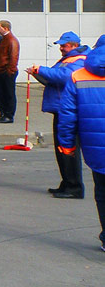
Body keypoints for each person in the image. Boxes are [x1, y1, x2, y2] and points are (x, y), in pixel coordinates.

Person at [55, 34, 105, 252]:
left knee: (102, 193)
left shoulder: (78, 75)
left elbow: (67, 116)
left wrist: (67, 146)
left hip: (96, 149)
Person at [27, 31, 89, 198]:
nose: (61, 48)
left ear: (75, 46)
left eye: (64, 45)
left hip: (68, 111)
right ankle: (67, 183)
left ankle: (74, 187)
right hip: (61, 109)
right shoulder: (68, 59)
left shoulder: (79, 60)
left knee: (68, 149)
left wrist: (41, 69)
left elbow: (63, 77)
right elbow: (53, 78)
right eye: (60, 45)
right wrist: (37, 74)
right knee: (61, 149)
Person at [0, 19, 20, 123]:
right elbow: (0, 55)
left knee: (9, 94)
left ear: (5, 28)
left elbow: (13, 57)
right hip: (0, 70)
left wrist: (10, 71)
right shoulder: (4, 39)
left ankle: (9, 115)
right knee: (1, 93)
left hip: (7, 72)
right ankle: (4, 113)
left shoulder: (12, 40)